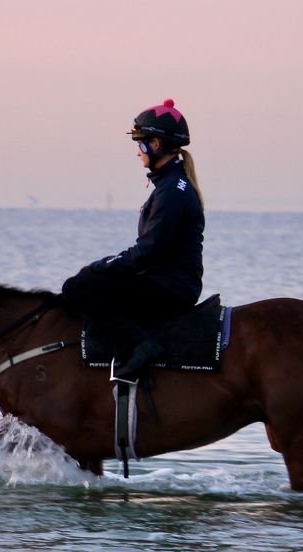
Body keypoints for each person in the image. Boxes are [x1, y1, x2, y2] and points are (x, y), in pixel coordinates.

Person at [62, 99, 205, 382]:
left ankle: (139, 347)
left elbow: (147, 253)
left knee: (78, 287)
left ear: (155, 144)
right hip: (167, 281)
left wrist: (102, 266)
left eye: (140, 144)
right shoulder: (170, 185)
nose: (137, 152)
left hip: (170, 289)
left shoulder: (172, 193)